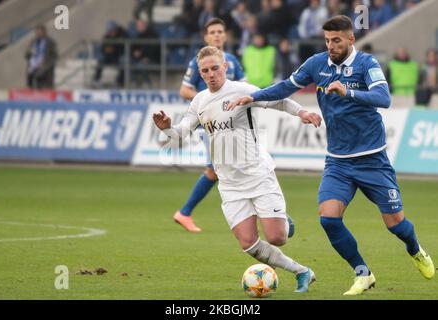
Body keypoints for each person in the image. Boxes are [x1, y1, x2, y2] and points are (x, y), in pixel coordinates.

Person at [227, 15, 435, 295]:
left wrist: (348, 91)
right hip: (338, 161)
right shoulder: (316, 63)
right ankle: (363, 273)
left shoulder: (367, 64)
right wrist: (255, 97)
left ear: (351, 39)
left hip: (373, 159)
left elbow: (384, 98)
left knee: (395, 224)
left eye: (336, 40)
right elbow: (287, 86)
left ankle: (415, 250)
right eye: (327, 40)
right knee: (328, 218)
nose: (330, 45)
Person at [153, 45, 322, 292]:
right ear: (200, 74)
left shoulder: (241, 90)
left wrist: (302, 112)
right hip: (230, 184)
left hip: (257, 173)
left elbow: (279, 101)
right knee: (248, 243)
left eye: (214, 68)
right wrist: (166, 128)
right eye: (205, 71)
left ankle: (284, 220)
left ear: (224, 67)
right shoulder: (200, 101)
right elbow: (180, 134)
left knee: (277, 238)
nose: (211, 74)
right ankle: (302, 272)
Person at [174, 17, 246, 232]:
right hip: (209, 125)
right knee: (216, 169)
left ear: (225, 35)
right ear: (206, 37)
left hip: (233, 125)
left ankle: (185, 213)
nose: (216, 35)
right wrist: (209, 104)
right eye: (212, 32)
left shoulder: (232, 61)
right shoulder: (199, 62)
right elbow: (184, 90)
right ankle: (185, 212)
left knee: (223, 169)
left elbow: (243, 88)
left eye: (220, 31)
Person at [93, 21, 129, 88]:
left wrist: (114, 48)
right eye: (109, 31)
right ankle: (96, 80)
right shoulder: (107, 36)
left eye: (112, 31)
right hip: (109, 56)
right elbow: (103, 48)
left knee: (124, 61)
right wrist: (106, 50)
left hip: (119, 56)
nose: (111, 33)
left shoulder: (123, 35)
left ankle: (120, 82)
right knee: (100, 61)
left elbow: (124, 47)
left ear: (115, 29)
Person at [25, 25, 58, 89]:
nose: (38, 34)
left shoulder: (50, 42)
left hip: (45, 68)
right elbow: (27, 54)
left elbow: (55, 56)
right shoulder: (33, 42)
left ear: (44, 32)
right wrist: (30, 53)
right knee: (31, 79)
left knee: (44, 86)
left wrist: (46, 64)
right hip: (34, 66)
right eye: (37, 33)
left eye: (40, 32)